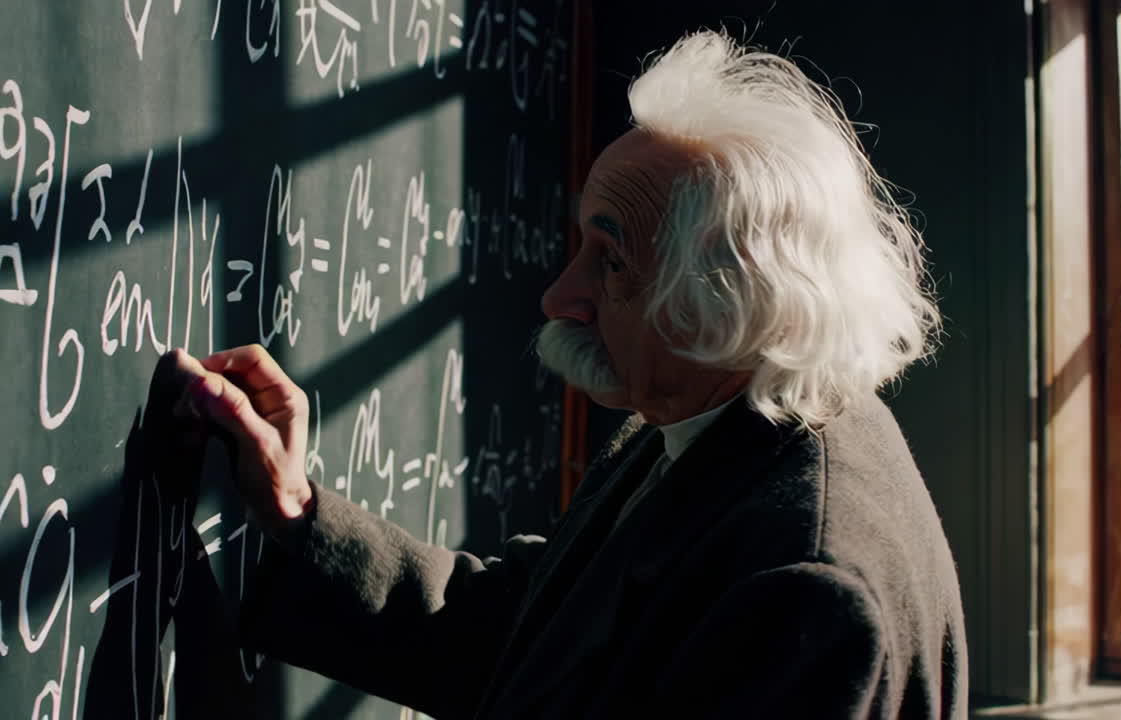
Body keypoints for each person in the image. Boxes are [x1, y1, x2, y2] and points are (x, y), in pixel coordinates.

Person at [167, 30, 967, 719]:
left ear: (731, 302)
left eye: (611, 261)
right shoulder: (724, 417)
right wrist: (299, 514)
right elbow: (536, 639)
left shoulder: (805, 592)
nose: (559, 297)